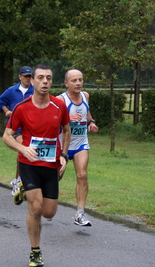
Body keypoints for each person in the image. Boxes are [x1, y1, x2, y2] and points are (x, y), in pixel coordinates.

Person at [3, 64, 71, 267]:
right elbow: (7, 137)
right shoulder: (21, 108)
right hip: (29, 163)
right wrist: (22, 149)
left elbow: (66, 130)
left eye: (49, 78)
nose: (45, 82)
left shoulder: (59, 106)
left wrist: (64, 156)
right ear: (32, 81)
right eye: (40, 78)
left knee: (49, 212)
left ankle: (26, 189)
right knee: (36, 207)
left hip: (51, 164)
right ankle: (35, 251)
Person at [57, 69, 98, 227]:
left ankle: (80, 214)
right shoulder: (61, 99)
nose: (78, 83)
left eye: (80, 80)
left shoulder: (85, 96)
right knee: (55, 178)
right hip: (62, 146)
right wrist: (66, 118)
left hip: (81, 143)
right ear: (66, 83)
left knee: (82, 175)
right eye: (74, 80)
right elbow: (51, 119)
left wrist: (91, 122)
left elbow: (87, 114)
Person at [0, 66, 34, 203]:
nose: (27, 78)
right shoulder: (12, 91)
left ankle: (21, 180)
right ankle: (18, 181)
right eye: (25, 76)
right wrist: (6, 111)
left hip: (30, 127)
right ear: (19, 77)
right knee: (23, 148)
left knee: (26, 152)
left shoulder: (34, 91)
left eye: (30, 76)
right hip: (15, 127)